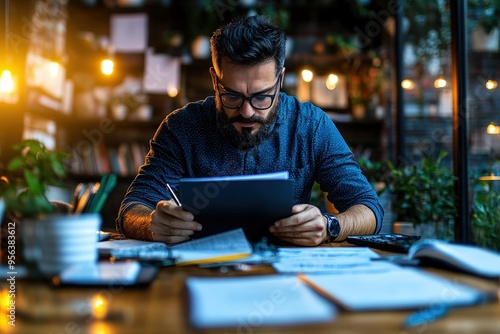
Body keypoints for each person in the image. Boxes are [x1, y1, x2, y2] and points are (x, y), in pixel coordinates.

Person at [116, 15, 384, 246]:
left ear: (280, 80)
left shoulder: (311, 125)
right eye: (231, 96)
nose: (246, 112)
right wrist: (152, 223)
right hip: (199, 274)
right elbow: (131, 209)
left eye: (261, 97)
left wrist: (330, 226)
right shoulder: (180, 128)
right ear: (214, 79)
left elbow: (370, 209)